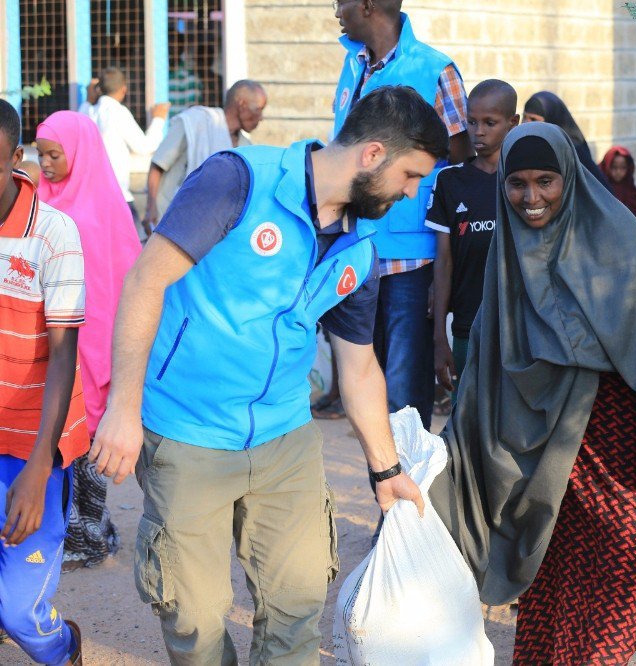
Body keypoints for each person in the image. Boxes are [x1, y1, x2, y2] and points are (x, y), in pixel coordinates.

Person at [88, 86, 444, 664]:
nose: (411, 193)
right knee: (195, 621)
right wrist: (124, 410)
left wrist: (386, 469)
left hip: (285, 439)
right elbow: (144, 282)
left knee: (296, 609)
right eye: (410, 176)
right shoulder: (239, 180)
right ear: (373, 154)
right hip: (187, 432)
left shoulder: (360, 247)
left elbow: (358, 366)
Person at [429, 122, 636, 664]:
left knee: (612, 614)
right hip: (544, 488)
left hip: (623, 483)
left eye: (546, 180)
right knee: (548, 615)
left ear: (569, 178)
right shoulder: (508, 274)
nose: (531, 198)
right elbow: (483, 385)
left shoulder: (625, 256)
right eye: (518, 183)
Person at [331, 0, 473, 429]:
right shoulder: (352, 66)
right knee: (361, 385)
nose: (336, 10)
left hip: (411, 259)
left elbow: (462, 154)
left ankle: (410, 493)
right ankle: (384, 486)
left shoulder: (434, 68)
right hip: (357, 249)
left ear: (369, 5)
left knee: (405, 397)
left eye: (342, 2)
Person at [36, 111, 142, 568]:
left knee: (91, 439)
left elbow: (122, 286)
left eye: (54, 154)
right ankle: (68, 530)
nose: (46, 164)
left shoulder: (102, 211)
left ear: (78, 153)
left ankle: (90, 534)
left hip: (96, 344)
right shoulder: (36, 203)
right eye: (40, 154)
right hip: (51, 342)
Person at [0, 98, 85, 666]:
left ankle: (64, 647)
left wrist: (38, 466)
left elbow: (63, 354)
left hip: (31, 443)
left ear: (14, 158)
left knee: (18, 613)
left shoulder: (52, 233)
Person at [427, 79, 519, 400]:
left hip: (518, 327)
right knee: (466, 417)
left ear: (513, 123)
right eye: (472, 122)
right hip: (467, 327)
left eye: (490, 123)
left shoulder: (524, 181)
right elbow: (444, 261)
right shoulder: (451, 181)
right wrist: (440, 338)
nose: (478, 131)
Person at [144, 79, 267, 234]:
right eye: (259, 109)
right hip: (168, 221)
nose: (261, 117)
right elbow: (158, 164)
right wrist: (151, 208)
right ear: (241, 104)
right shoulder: (194, 122)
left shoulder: (246, 147)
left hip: (208, 232)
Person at [79, 67, 170, 223]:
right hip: (117, 196)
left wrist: (89, 97)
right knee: (131, 244)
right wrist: (159, 119)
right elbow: (144, 147)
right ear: (124, 90)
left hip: (91, 197)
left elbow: (80, 117)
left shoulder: (87, 111)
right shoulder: (118, 112)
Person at [522, 91, 611, 189]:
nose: (526, 123)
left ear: (551, 120)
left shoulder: (572, 149)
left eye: (533, 119)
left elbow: (596, 188)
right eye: (524, 117)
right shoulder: (522, 145)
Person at [599, 145, 636, 234]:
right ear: (607, 166)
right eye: (614, 167)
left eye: (623, 168)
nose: (618, 172)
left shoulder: (630, 190)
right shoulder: (601, 188)